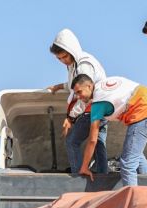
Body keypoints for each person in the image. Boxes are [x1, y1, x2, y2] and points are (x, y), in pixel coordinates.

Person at [73, 75, 147, 187]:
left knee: (127, 164)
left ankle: (133, 202)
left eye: (79, 92)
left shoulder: (98, 101)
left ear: (89, 86)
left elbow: (93, 140)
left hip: (144, 112)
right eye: (76, 94)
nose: (78, 96)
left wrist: (84, 167)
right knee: (136, 154)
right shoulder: (103, 85)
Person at [45, 29, 108, 175]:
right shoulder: (74, 65)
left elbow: (83, 94)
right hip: (99, 108)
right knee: (99, 145)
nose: (63, 61)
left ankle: (78, 178)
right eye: (59, 59)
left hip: (91, 109)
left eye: (64, 57)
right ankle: (102, 180)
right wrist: (59, 86)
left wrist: (71, 118)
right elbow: (74, 83)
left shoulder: (83, 65)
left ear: (72, 50)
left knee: (72, 142)